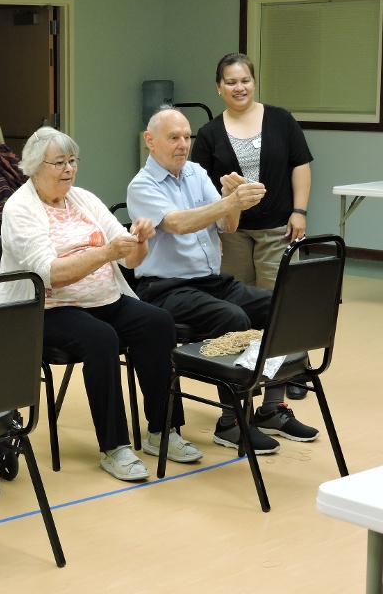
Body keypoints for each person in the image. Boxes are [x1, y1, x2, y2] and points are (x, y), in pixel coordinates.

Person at [0, 126, 202, 482]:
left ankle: (162, 431)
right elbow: (50, 275)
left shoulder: (83, 199)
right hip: (46, 310)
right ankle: (115, 447)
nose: (69, 169)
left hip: (103, 299)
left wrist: (139, 240)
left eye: (72, 161)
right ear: (34, 166)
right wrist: (105, 252)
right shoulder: (20, 208)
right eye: (59, 162)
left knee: (158, 323)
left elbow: (130, 261)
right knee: (101, 339)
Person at [126, 107, 319, 454]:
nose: (183, 144)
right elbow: (179, 223)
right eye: (174, 137)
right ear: (150, 141)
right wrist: (229, 200)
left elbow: (227, 226)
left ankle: (271, 409)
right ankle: (230, 422)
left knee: (278, 305)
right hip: (165, 288)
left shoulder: (196, 172)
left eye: (187, 137)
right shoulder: (141, 186)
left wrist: (235, 198)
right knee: (232, 318)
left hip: (210, 280)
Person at [191, 53, 313, 400]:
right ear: (219, 88)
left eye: (244, 80)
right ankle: (242, 374)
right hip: (233, 234)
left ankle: (289, 374)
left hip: (279, 228)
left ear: (253, 82)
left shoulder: (280, 119)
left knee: (281, 303)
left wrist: (299, 210)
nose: (239, 87)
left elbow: (300, 166)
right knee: (237, 309)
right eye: (231, 81)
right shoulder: (210, 133)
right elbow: (200, 185)